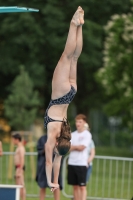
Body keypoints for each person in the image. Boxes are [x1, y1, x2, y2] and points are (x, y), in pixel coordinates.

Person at [44, 6, 84, 191]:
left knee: (75, 58)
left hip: (71, 94)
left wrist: (56, 182)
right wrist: (50, 181)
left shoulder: (64, 139)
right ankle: (74, 23)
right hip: (59, 95)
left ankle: (81, 26)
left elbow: (58, 163)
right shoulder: (53, 141)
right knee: (66, 57)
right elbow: (49, 164)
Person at [67, 114, 92, 200]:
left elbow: (82, 147)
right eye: (77, 121)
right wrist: (75, 147)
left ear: (84, 122)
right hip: (72, 162)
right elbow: (68, 148)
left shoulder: (87, 134)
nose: (78, 123)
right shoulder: (73, 134)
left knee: (82, 186)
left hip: (81, 163)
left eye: (80, 122)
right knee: (75, 186)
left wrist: (73, 147)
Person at [36, 135, 63, 200]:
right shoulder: (42, 139)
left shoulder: (59, 138)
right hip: (43, 165)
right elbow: (40, 151)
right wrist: (46, 149)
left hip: (55, 165)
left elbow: (61, 153)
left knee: (56, 184)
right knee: (42, 185)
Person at [12, 133, 26, 200]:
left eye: (13, 140)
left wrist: (20, 170)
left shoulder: (21, 148)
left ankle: (23, 198)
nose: (12, 141)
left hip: (19, 168)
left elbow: (22, 159)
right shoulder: (18, 148)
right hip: (18, 167)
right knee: (18, 185)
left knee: (21, 185)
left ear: (17, 139)